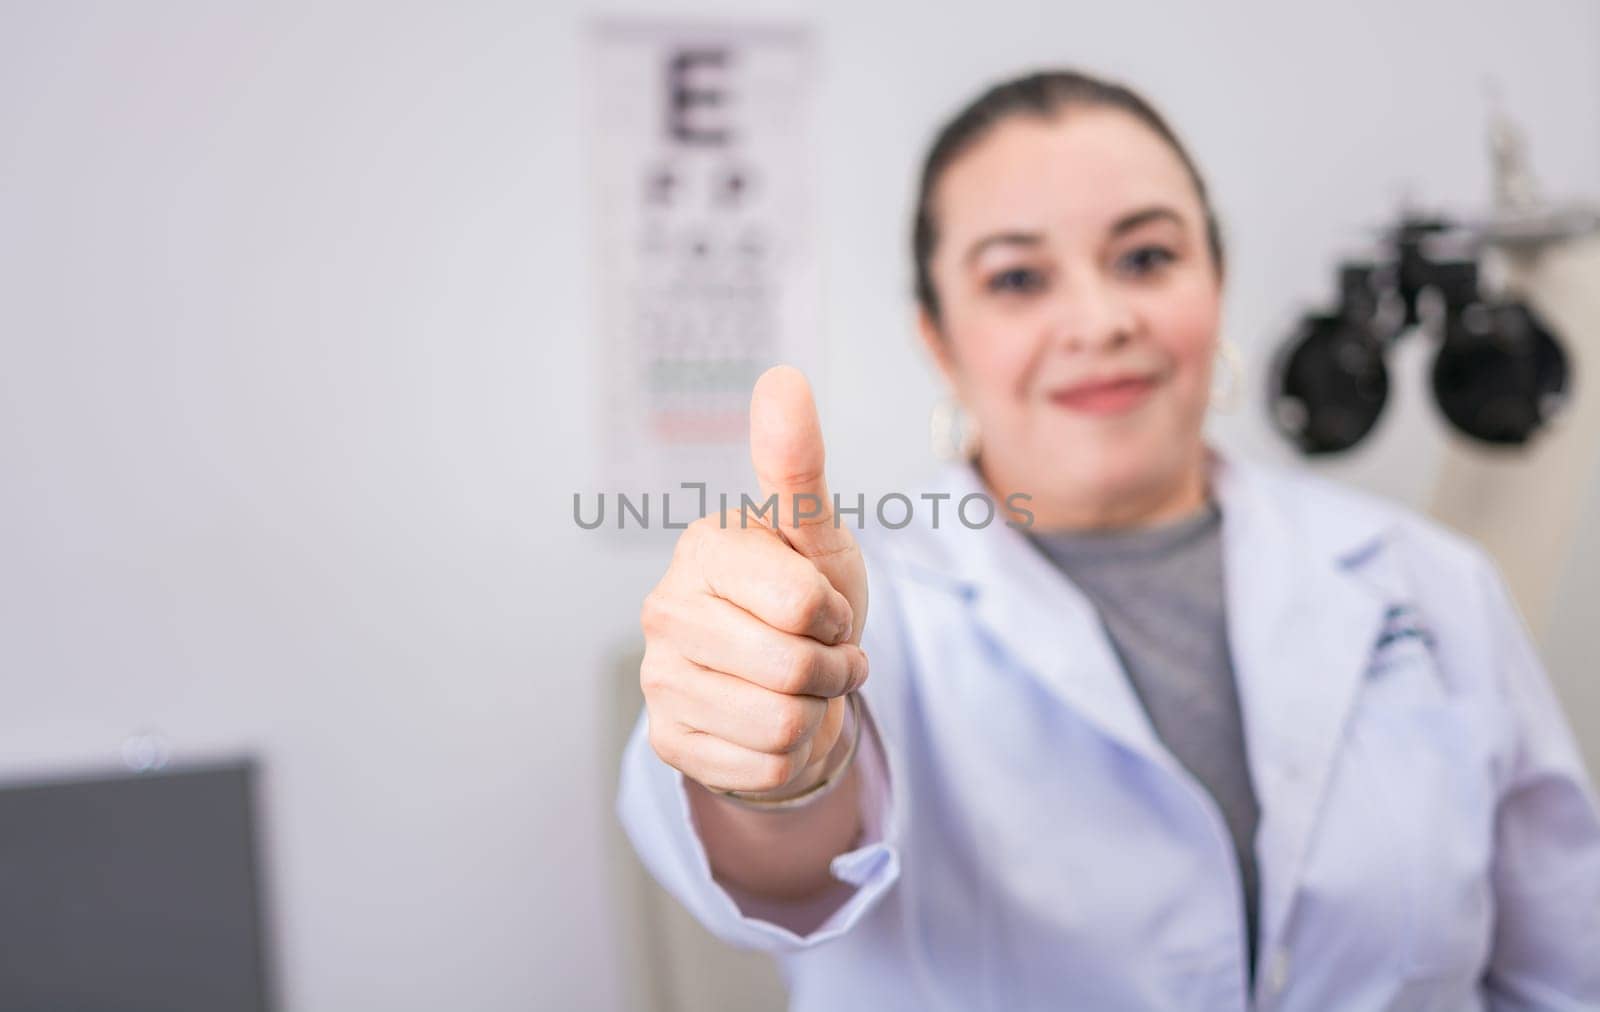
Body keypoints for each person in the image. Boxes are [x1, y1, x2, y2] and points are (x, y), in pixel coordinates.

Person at [615, 69, 1600, 1010]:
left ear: (1215, 279)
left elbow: (1565, 969)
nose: (1097, 318)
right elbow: (778, 867)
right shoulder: (857, 607)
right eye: (1016, 277)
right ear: (939, 340)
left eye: (1145, 256)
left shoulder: (1426, 579)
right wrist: (778, 772)